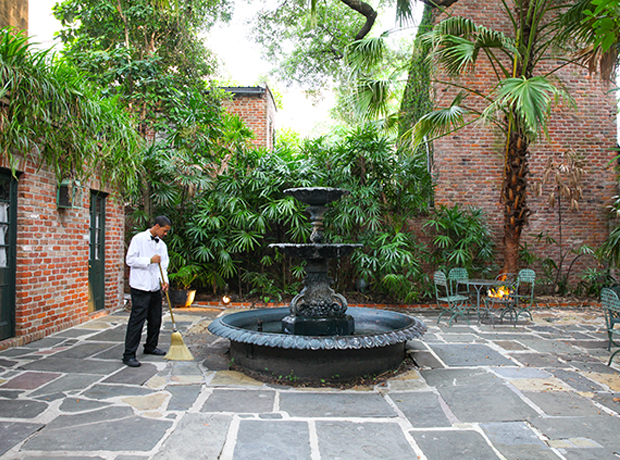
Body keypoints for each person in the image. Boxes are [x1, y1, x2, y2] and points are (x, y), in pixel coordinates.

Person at [122, 215, 172, 367]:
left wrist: (165, 281)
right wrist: (149, 260)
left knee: (155, 319)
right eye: (164, 230)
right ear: (157, 226)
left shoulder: (162, 245)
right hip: (140, 287)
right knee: (137, 321)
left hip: (154, 287)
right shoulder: (138, 239)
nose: (165, 234)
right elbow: (129, 260)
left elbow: (163, 265)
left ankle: (150, 346)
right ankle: (128, 354)